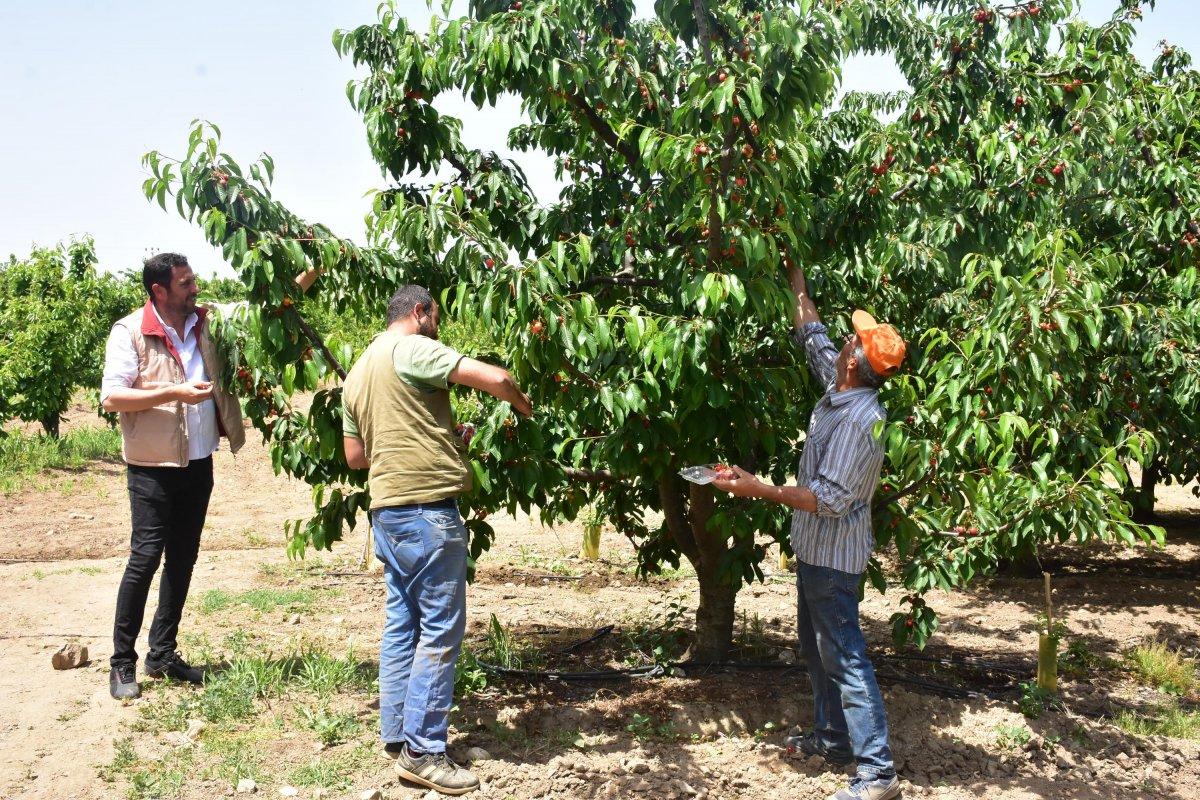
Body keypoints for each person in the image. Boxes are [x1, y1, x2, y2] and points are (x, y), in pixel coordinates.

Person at [711, 262, 906, 800]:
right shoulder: (840, 386)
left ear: (856, 362)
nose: (845, 338)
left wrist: (759, 489)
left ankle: (877, 771)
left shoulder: (860, 421)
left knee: (844, 654)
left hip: (834, 560)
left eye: (853, 340)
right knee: (818, 650)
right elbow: (811, 333)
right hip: (814, 553)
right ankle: (834, 739)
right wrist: (796, 278)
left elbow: (828, 497)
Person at [342, 284, 532, 796]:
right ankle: (424, 751)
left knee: (403, 624)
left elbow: (356, 456)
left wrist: (440, 436)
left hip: (388, 513)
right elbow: (497, 377)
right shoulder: (411, 347)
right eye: (437, 317)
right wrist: (521, 402)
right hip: (428, 513)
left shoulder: (359, 371)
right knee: (441, 631)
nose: (438, 327)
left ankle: (397, 737)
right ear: (420, 312)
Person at [101, 253, 245, 700]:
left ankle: (162, 652)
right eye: (185, 284)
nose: (194, 289)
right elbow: (113, 397)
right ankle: (122, 662)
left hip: (199, 461)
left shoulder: (206, 322)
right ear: (159, 290)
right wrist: (174, 393)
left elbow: (256, 308)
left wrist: (312, 266)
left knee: (183, 558)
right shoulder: (131, 332)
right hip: (152, 467)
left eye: (193, 280)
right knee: (144, 559)